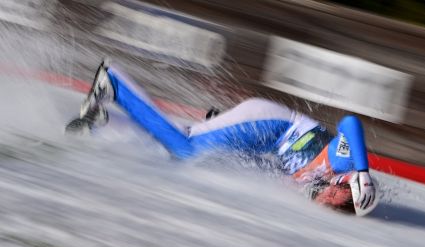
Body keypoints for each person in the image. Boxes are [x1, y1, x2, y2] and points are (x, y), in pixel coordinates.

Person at [67, 60, 377, 213]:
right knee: (187, 149)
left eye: (339, 209)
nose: (331, 204)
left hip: (261, 138)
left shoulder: (311, 188)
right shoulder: (342, 161)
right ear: (346, 187)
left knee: (194, 161)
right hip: (269, 124)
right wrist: (362, 171)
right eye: (341, 201)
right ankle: (115, 82)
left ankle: (107, 125)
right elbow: (350, 124)